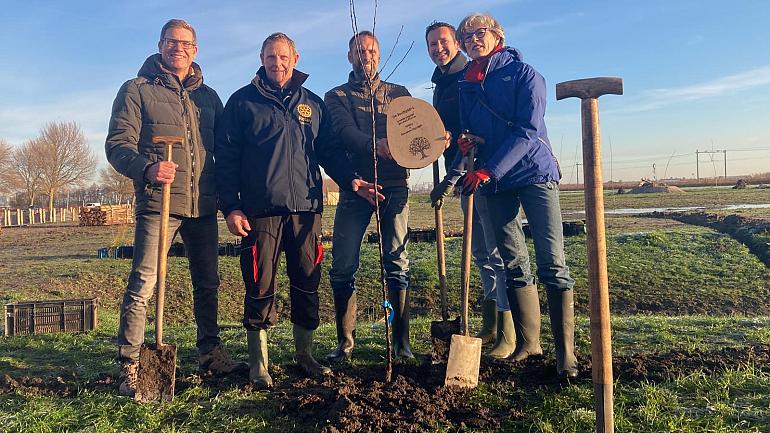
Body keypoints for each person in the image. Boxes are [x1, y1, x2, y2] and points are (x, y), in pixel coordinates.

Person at [215, 33, 382, 388]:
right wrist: (231, 207)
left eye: (284, 57)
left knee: (308, 281)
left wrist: (352, 180)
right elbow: (225, 160)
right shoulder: (242, 103)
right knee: (259, 284)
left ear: (296, 57)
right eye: (271, 57)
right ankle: (259, 362)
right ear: (261, 58)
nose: (278, 63)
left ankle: (304, 354)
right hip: (260, 213)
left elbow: (331, 151)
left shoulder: (312, 104)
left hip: (306, 210)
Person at [106, 19, 246, 398]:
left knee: (208, 284)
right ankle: (131, 363)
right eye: (171, 42)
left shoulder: (209, 98)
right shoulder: (136, 90)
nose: (178, 48)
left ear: (195, 50)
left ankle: (210, 352)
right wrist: (147, 168)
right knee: (143, 283)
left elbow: (226, 150)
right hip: (159, 204)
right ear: (160, 45)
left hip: (203, 203)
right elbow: (118, 145)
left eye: (185, 43)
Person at [452, 13, 579, 379]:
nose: (473, 40)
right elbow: (470, 129)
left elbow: (527, 129)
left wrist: (491, 169)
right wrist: (467, 142)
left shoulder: (524, 74)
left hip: (532, 173)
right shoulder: (465, 83)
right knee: (512, 260)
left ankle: (565, 355)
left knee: (551, 260)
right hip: (491, 179)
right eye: (467, 36)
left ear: (497, 36)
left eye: (479, 33)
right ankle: (528, 345)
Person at [426, 21, 516, 358]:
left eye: (444, 42)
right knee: (481, 253)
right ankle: (491, 326)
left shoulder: (468, 77)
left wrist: (451, 178)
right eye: (432, 44)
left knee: (496, 253)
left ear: (457, 44)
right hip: (463, 176)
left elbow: (471, 133)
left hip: (481, 174)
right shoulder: (443, 81)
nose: (439, 48)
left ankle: (508, 332)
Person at [324, 31, 414, 363]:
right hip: (356, 188)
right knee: (343, 265)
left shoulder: (399, 94)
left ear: (379, 54)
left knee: (397, 263)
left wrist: (436, 139)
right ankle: (345, 343)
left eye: (372, 51)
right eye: (360, 51)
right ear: (350, 57)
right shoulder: (336, 96)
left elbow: (414, 132)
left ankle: (401, 343)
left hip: (394, 186)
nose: (367, 56)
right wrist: (372, 147)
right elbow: (345, 132)